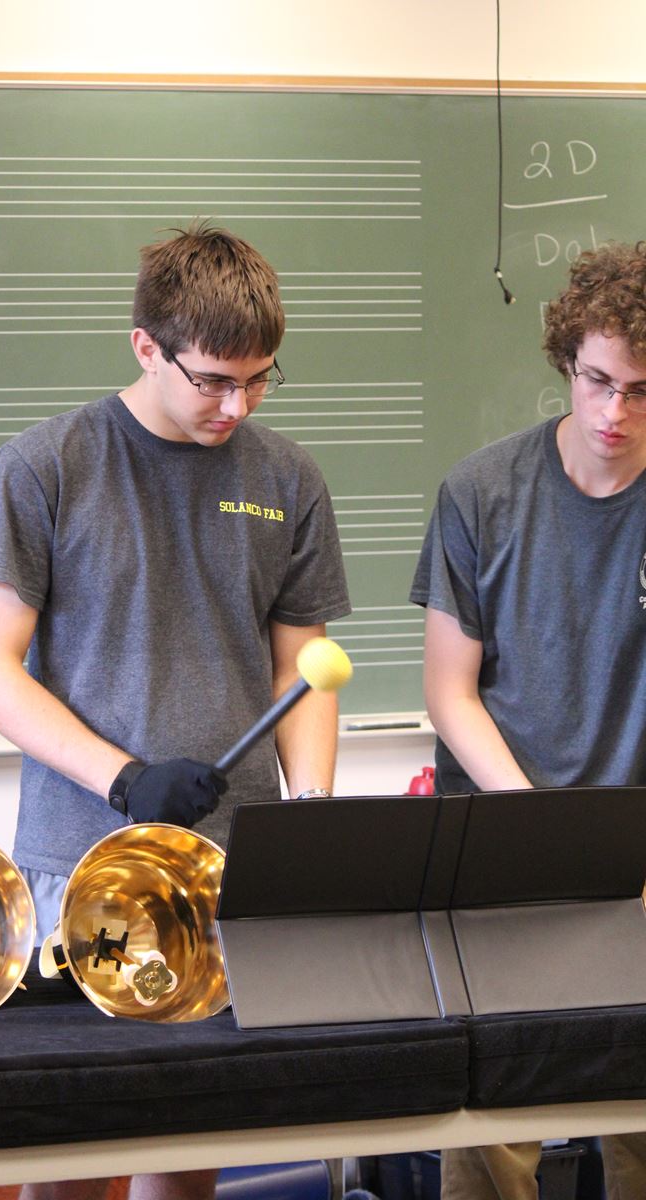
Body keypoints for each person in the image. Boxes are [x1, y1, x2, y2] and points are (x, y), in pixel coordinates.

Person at [0, 222, 351, 1200]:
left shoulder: (287, 478)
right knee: (71, 1156)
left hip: (224, 869)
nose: (236, 405)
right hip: (77, 862)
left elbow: (301, 666)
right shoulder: (48, 466)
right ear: (145, 346)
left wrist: (310, 817)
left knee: (186, 1147)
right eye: (212, 380)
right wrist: (125, 779)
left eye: (258, 380)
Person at [410, 240, 646, 1200]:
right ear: (566, 362)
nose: (615, 413)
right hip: (501, 843)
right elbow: (449, 690)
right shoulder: (482, 493)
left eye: (643, 391)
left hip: (638, 850)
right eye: (598, 382)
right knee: (493, 1124)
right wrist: (539, 824)